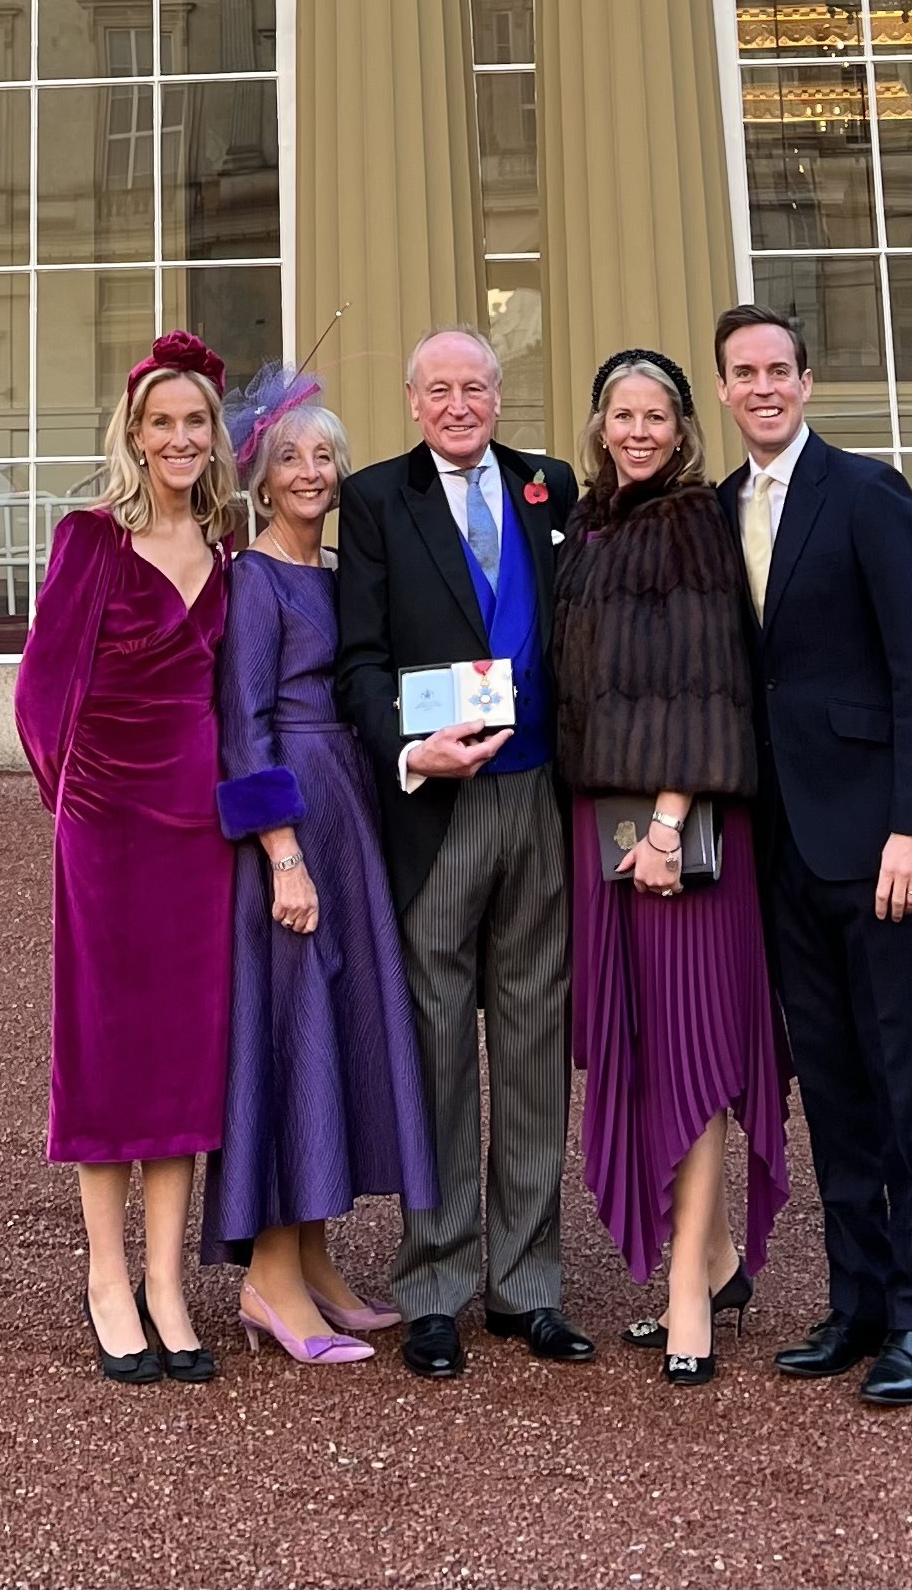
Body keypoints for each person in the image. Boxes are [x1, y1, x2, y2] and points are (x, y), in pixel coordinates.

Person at [716, 303, 912, 1410]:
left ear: (806, 381)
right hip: (777, 845)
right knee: (830, 1081)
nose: (762, 386)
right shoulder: (721, 509)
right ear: (724, 392)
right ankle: (856, 1297)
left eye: (778, 368)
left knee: (903, 1077)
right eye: (742, 372)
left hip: (876, 844)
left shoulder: (866, 493)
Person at [332, 327, 591, 1382]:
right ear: (410, 399)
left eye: (474, 386)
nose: (457, 403)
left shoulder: (550, 485)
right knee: (437, 1048)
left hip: (539, 796)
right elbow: (357, 659)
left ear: (497, 392)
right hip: (436, 804)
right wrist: (408, 746)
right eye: (437, 388)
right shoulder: (375, 499)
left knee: (533, 1044)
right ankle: (433, 1283)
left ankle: (527, 1284)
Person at [551, 349, 787, 1385]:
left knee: (689, 1054)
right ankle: (717, 1255)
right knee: (641, 1050)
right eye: (621, 414)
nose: (638, 429)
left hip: (676, 837)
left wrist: (664, 825)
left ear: (683, 428)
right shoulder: (592, 527)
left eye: (655, 415)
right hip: (601, 827)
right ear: (599, 424)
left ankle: (686, 1290)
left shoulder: (691, 522)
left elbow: (707, 684)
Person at [14, 333, 238, 1387]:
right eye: (163, 423)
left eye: (196, 422)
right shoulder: (91, 540)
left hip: (197, 836)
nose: (180, 439)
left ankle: (165, 1282)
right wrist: (75, 799)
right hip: (104, 830)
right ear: (135, 435)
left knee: (185, 1053)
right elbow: (36, 692)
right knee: (104, 1050)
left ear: (214, 435)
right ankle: (107, 1278)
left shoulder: (228, 552)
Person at [203, 372, 440, 1366]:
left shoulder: (340, 574)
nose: (313, 469)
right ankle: (267, 1279)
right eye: (292, 454)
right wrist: (284, 857)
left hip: (349, 804)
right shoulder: (253, 581)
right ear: (260, 474)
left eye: (325, 453)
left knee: (336, 1032)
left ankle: (314, 1260)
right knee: (290, 1029)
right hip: (293, 825)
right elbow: (242, 729)